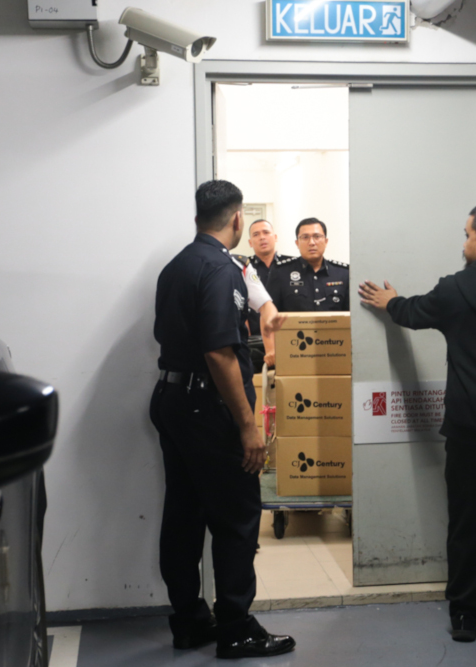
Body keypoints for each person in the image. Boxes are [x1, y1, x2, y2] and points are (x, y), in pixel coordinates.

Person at [358, 202, 476, 643]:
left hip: (471, 432)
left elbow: (413, 312)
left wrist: (391, 302)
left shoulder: (455, 289)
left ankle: (466, 615)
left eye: (466, 235)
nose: (463, 243)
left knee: (469, 525)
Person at [151, 180, 295, 659]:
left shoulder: (177, 265)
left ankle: (190, 621)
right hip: (207, 408)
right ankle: (236, 628)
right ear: (237, 219)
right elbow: (218, 352)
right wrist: (248, 426)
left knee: (184, 513)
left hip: (173, 399)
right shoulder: (220, 268)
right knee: (236, 517)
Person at [266, 217, 349, 313]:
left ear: (326, 242)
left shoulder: (344, 273)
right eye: (305, 237)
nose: (311, 243)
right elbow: (269, 314)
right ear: (297, 243)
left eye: (317, 236)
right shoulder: (280, 272)